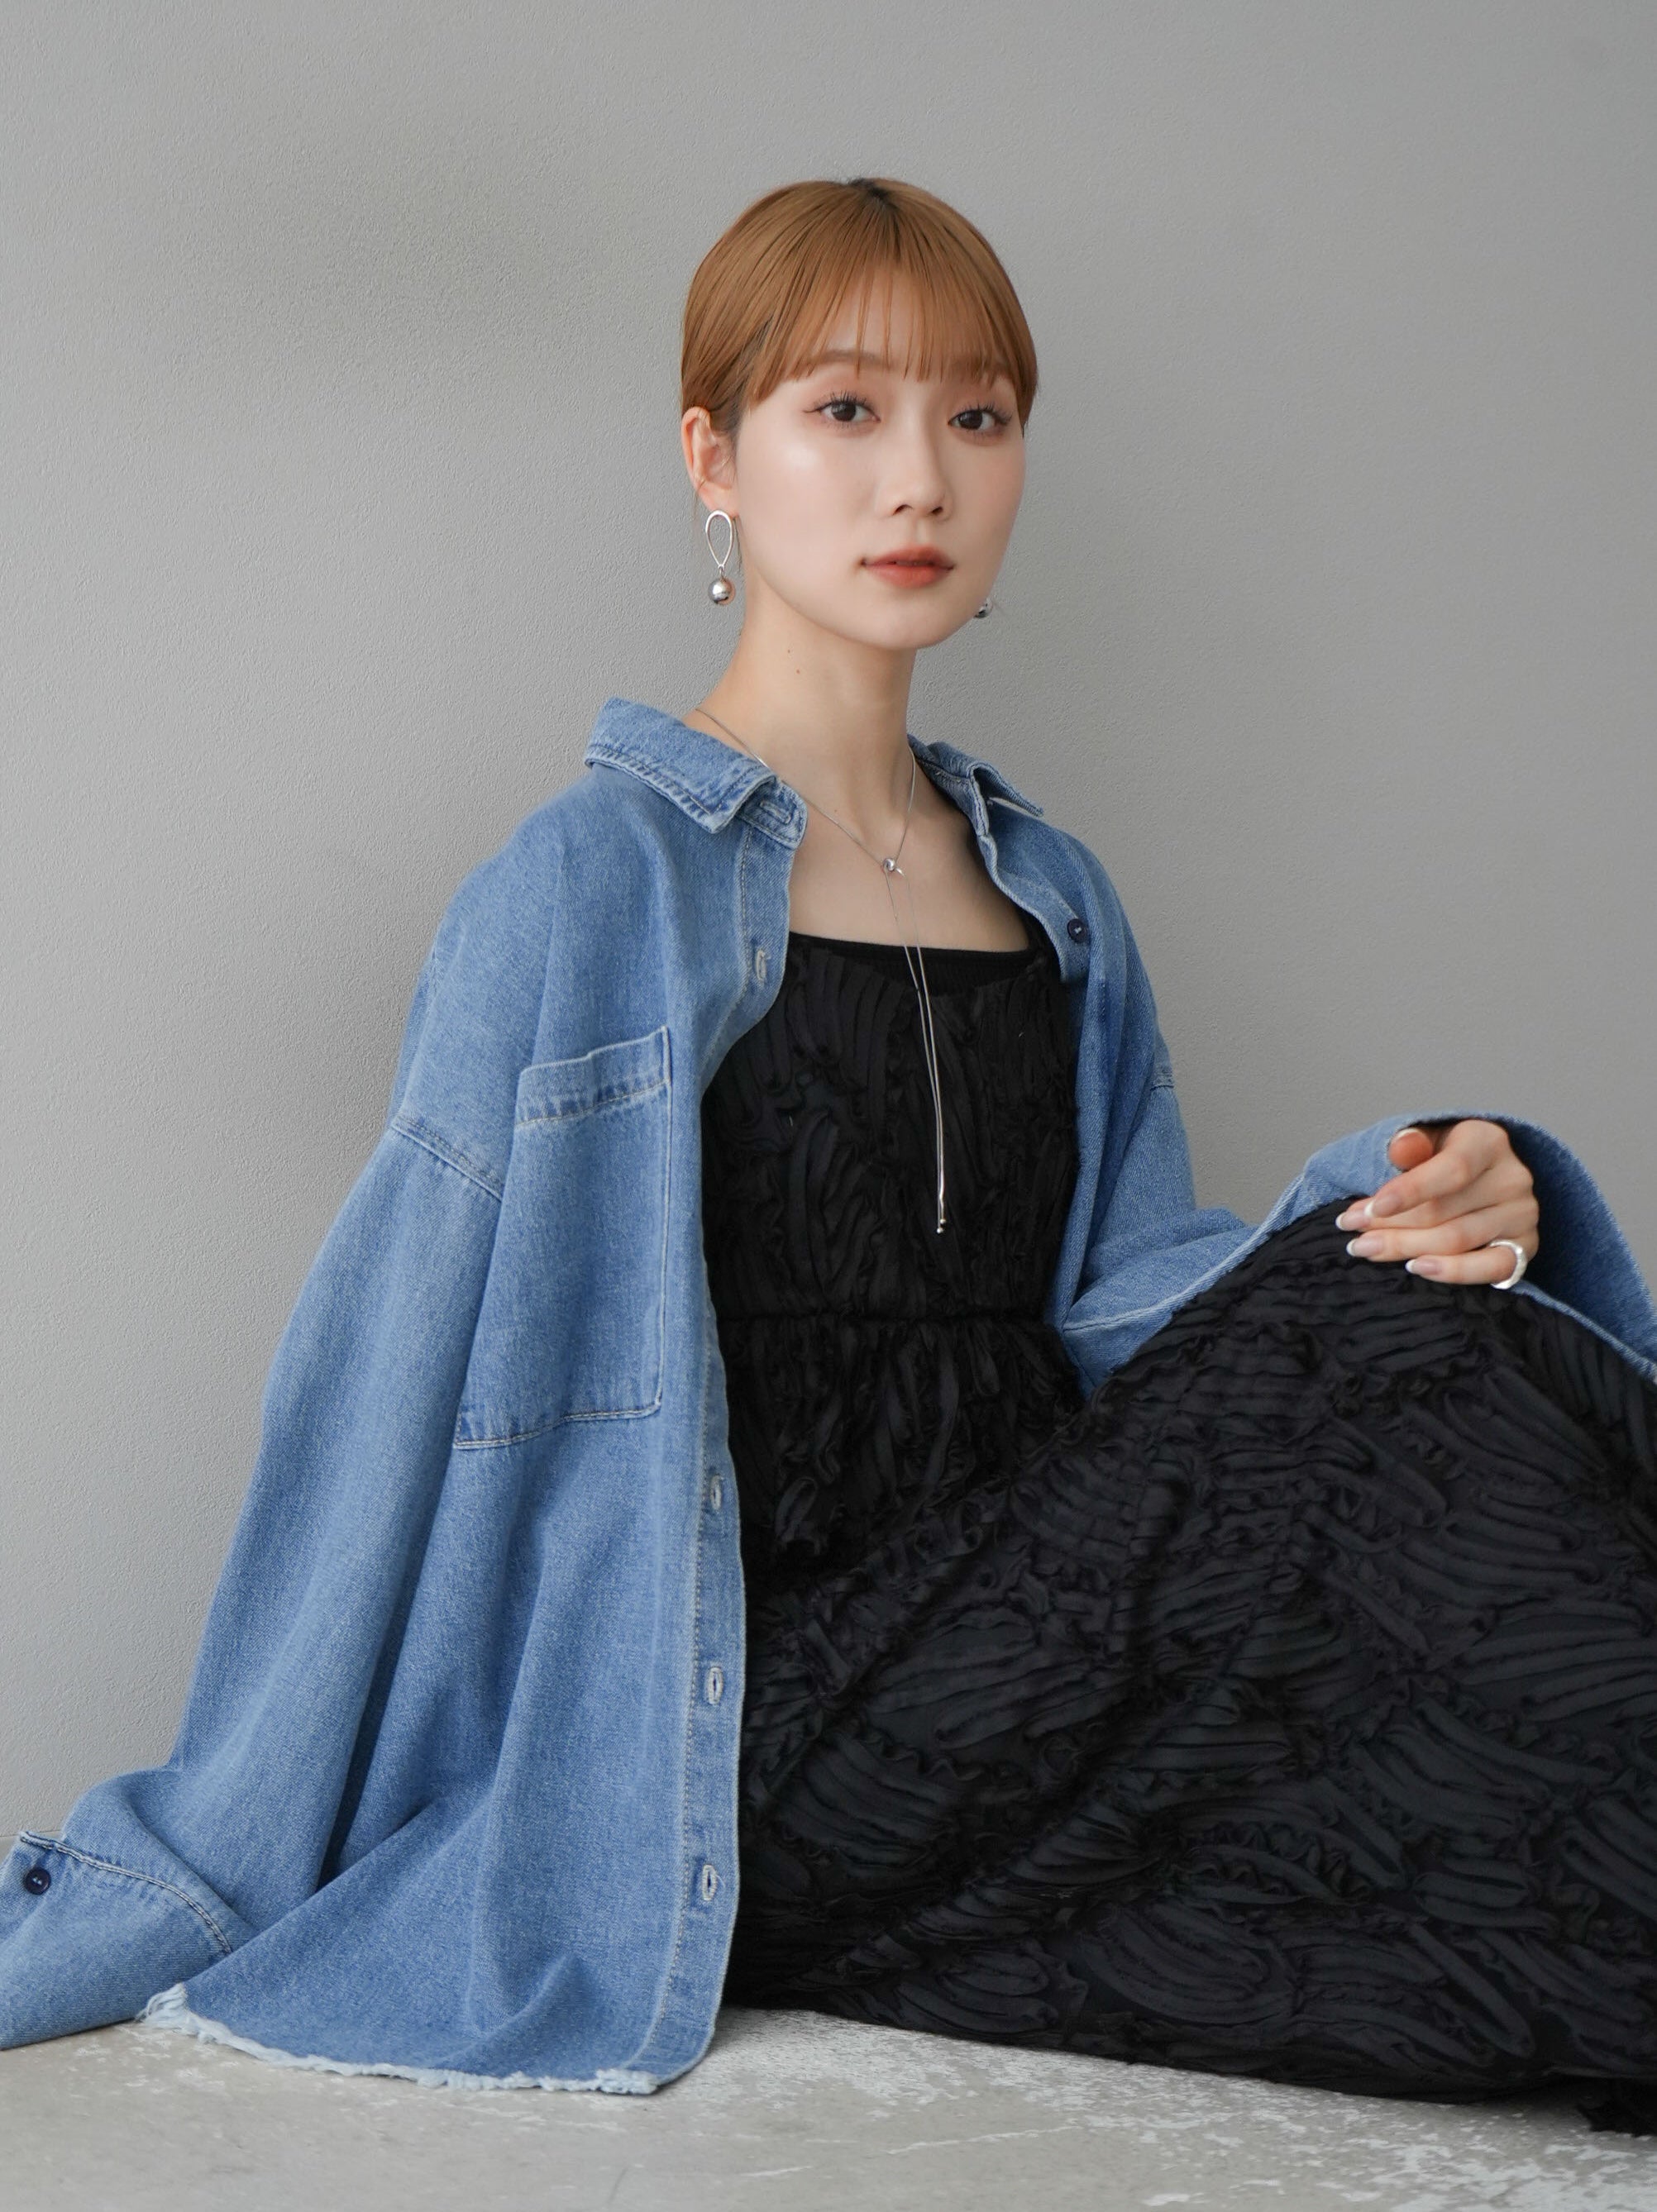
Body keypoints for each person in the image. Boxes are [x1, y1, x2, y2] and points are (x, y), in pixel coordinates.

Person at [4, 177, 1655, 2136]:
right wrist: (202, 1858)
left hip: (1049, 1671)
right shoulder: (588, 888)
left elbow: (1133, 1309)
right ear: (713, 459)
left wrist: (1412, 1197)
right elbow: (382, 1390)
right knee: (1394, 1387)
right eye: (846, 410)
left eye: (978, 416)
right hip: (735, 1725)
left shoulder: (1058, 898)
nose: (921, 480)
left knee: (1430, 1334)